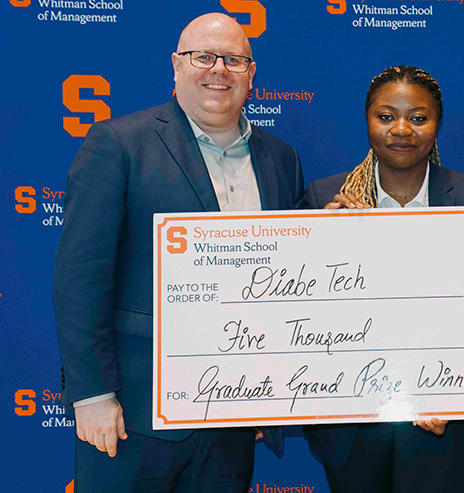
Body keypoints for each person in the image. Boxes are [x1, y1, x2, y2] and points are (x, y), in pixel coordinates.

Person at [53, 13, 303, 491]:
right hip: (132, 416)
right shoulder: (120, 144)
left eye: (234, 59)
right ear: (176, 65)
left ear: (251, 73)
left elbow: (286, 284)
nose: (218, 70)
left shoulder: (280, 158)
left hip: (234, 415)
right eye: (203, 56)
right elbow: (80, 277)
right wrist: (92, 395)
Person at [301, 65, 464, 493]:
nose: (401, 130)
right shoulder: (325, 198)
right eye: (386, 116)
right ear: (368, 120)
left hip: (443, 420)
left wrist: (454, 392)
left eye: (418, 117)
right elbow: (300, 311)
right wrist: (319, 246)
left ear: (437, 125)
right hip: (350, 420)